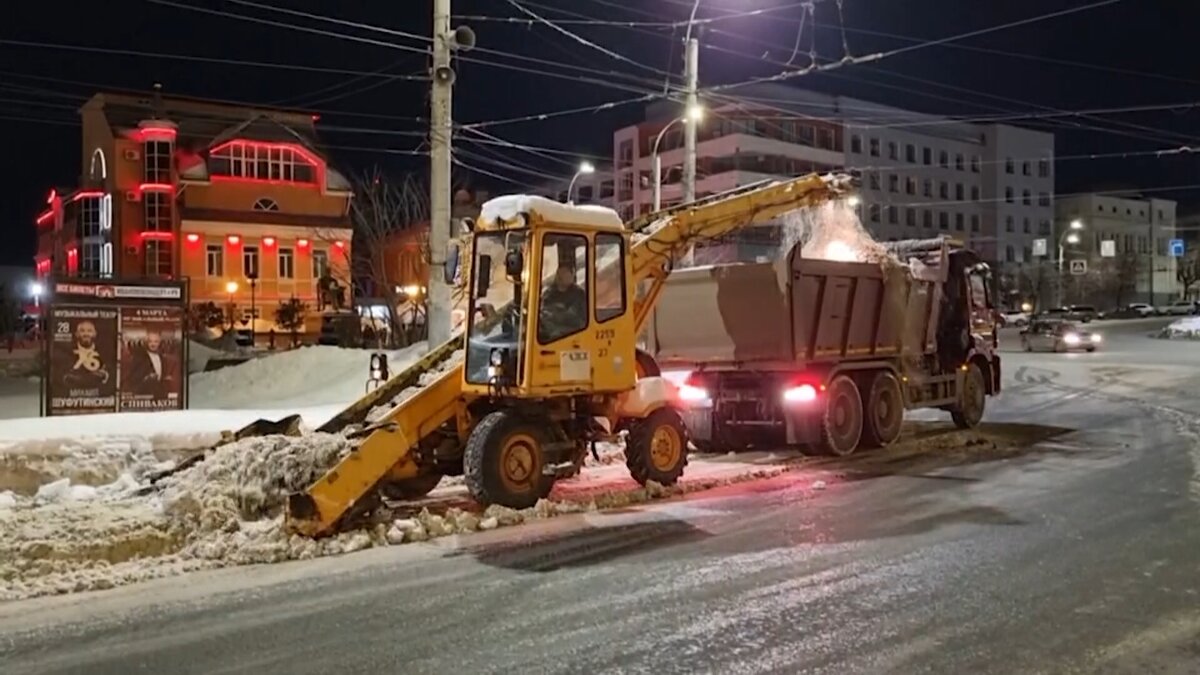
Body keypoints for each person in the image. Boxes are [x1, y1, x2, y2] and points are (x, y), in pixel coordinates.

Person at [539, 265, 587, 341]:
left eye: (565, 273)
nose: (560, 276)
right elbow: (544, 312)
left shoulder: (579, 294)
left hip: (572, 333)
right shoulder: (549, 294)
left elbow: (580, 320)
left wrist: (558, 312)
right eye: (559, 273)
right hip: (550, 329)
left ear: (572, 275)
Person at [126, 330, 176, 397]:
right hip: (143, 395)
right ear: (146, 342)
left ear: (159, 343)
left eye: (156, 341)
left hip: (159, 396)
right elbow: (132, 378)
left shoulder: (162, 358)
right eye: (150, 341)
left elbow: (162, 377)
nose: (153, 344)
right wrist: (146, 379)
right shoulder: (139, 357)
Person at [63, 320, 110, 389]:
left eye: (89, 331)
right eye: (82, 331)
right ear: (76, 334)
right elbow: (66, 377)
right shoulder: (67, 351)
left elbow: (106, 375)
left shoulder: (104, 352)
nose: (86, 334)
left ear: (95, 333)